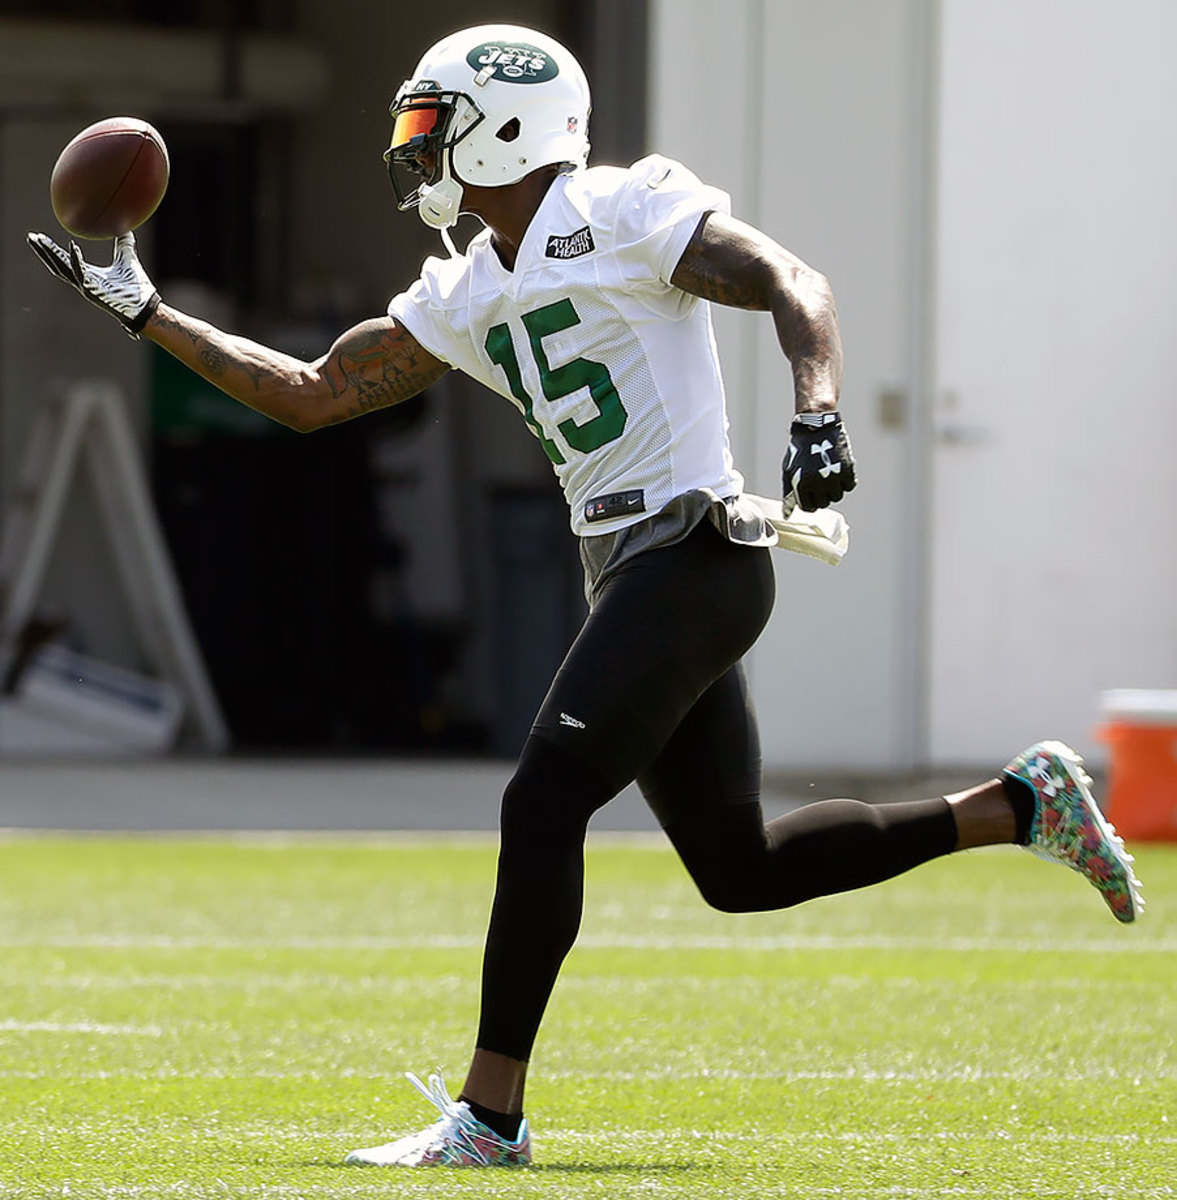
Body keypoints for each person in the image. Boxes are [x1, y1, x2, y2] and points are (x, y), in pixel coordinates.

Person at [28, 22, 1144, 1171]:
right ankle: (1022, 804)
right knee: (739, 871)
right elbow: (313, 394)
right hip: (632, 572)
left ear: (504, 126)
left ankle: (489, 1117)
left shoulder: (617, 210)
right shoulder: (468, 282)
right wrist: (144, 311)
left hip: (694, 560)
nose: (413, 149)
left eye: (431, 123)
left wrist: (817, 412)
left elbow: (788, 282)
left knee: (541, 800)